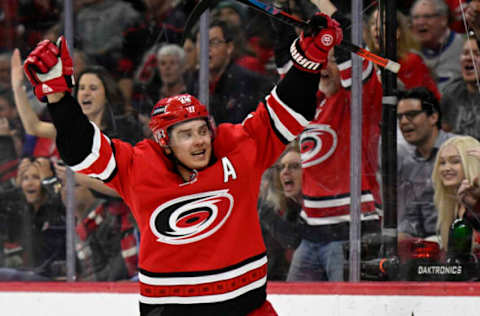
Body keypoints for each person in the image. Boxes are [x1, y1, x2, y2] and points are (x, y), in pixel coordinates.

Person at [21, 11, 342, 314]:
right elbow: (81, 149)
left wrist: (309, 58)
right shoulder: (140, 164)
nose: (200, 140)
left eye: (203, 130)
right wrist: (58, 96)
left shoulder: (235, 146)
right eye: (186, 134)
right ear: (164, 141)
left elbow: (289, 109)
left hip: (247, 307)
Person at [271, 0, 382, 281]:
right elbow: (287, 61)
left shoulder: (358, 102)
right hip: (311, 233)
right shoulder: (312, 102)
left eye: (330, 61)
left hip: (351, 232)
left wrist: (320, 3)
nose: (322, 67)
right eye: (319, 61)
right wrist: (278, 7)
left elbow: (348, 49)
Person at [11, 53, 142, 197]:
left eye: (93, 88)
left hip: (119, 213)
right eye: (81, 88)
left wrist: (77, 177)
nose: (85, 93)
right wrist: (18, 88)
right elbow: (33, 127)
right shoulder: (74, 129)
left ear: (107, 95)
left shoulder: (125, 130)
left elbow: (126, 188)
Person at [56, 165, 138, 281]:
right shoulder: (71, 223)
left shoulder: (108, 217)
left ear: (93, 190)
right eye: (63, 185)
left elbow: (119, 267)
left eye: (75, 185)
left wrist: (85, 285)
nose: (66, 190)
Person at [396, 87, 456, 242]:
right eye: (400, 116)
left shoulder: (461, 148)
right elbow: (408, 217)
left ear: (433, 117)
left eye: (411, 115)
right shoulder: (407, 164)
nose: (403, 122)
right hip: (425, 248)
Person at [188, 19, 273, 124]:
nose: (206, 48)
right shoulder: (193, 82)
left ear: (229, 47)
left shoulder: (249, 83)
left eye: (214, 42)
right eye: (201, 43)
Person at [0, 156, 66, 281]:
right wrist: (17, 186)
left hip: (53, 278)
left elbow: (62, 203)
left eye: (36, 177)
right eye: (25, 178)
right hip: (21, 274)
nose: (30, 183)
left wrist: (49, 181)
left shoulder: (58, 209)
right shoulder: (18, 209)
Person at [364, 8, 440, 99]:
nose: (375, 27)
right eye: (372, 23)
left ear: (397, 32)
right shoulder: (367, 62)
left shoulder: (412, 61)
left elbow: (414, 101)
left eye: (383, 23)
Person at [258, 142, 302, 281]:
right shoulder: (283, 207)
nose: (285, 171)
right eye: (281, 167)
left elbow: (293, 241)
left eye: (294, 166)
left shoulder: (314, 210)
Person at [432, 136, 480, 256]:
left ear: (470, 163)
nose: (446, 168)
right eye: (442, 163)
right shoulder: (452, 205)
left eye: (455, 161)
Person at [410, 0, 464, 93]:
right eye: (416, 17)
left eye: (427, 16)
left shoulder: (465, 46)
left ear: (443, 20)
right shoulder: (408, 53)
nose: (420, 22)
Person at [440, 35, 480, 141]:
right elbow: (445, 135)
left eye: (477, 54)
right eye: (465, 53)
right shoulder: (451, 93)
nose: (469, 57)